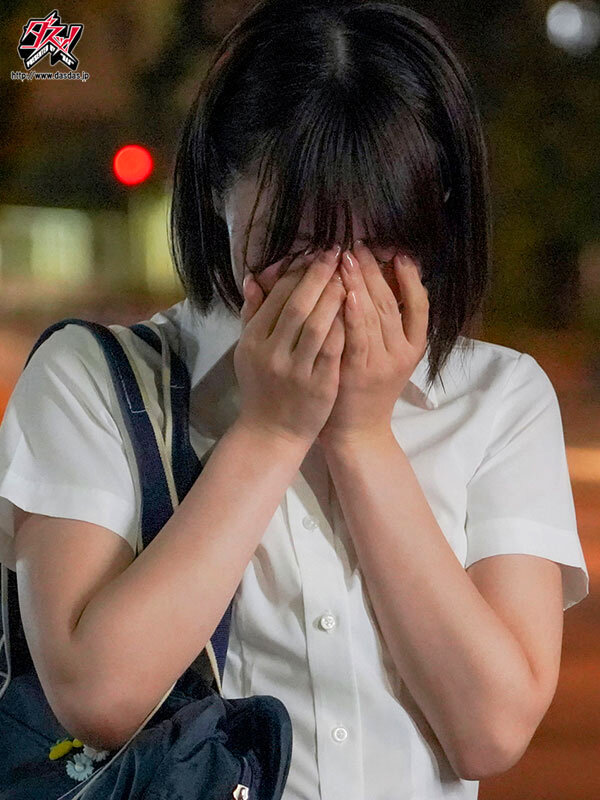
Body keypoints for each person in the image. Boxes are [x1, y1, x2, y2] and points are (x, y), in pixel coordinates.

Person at [0, 1, 590, 798]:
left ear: (437, 214)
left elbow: (491, 731)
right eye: (299, 242)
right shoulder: (94, 381)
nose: (341, 279)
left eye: (382, 240)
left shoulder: (500, 398)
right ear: (218, 191)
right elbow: (97, 695)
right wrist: (272, 431)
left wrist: (362, 438)